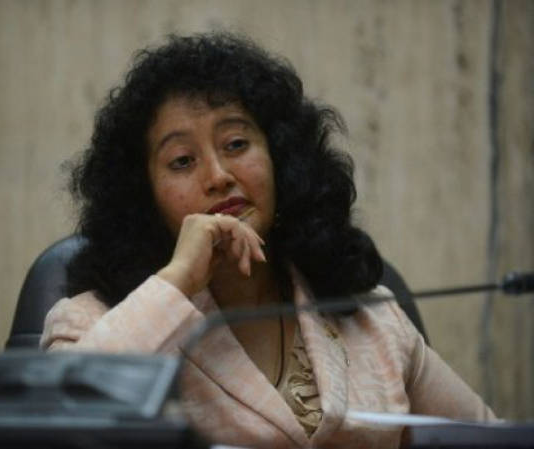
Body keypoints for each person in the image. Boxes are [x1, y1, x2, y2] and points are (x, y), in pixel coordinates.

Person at [41, 32, 495, 448]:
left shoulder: (371, 315)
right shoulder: (90, 323)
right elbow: (54, 430)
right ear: (143, 196)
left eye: (237, 144)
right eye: (182, 161)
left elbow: (489, 438)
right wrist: (177, 281)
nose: (218, 176)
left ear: (281, 159)